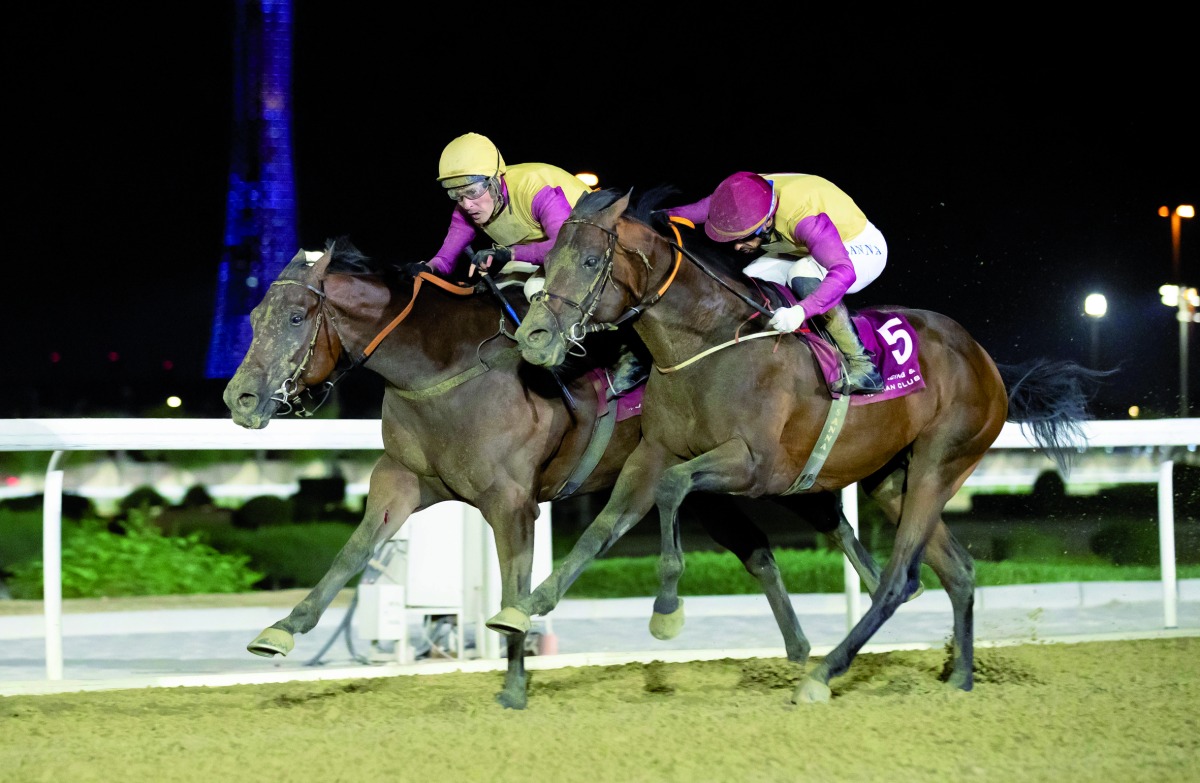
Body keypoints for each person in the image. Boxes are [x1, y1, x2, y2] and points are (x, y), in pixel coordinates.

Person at [662, 171, 887, 394]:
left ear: (768, 220)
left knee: (801, 273)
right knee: (752, 278)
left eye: (744, 237)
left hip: (859, 246)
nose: (737, 247)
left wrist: (801, 310)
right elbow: (709, 207)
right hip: (804, 245)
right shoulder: (747, 192)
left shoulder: (803, 219)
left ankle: (863, 365)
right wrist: (664, 215)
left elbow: (843, 271)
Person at [410, 132, 589, 301]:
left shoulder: (536, 191)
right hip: (550, 250)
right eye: (456, 195)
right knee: (496, 291)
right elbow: (445, 258)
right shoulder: (465, 208)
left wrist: (508, 253)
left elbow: (564, 248)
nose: (466, 204)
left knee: (534, 288)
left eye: (473, 191)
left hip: (585, 245)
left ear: (495, 181)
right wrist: (426, 268)